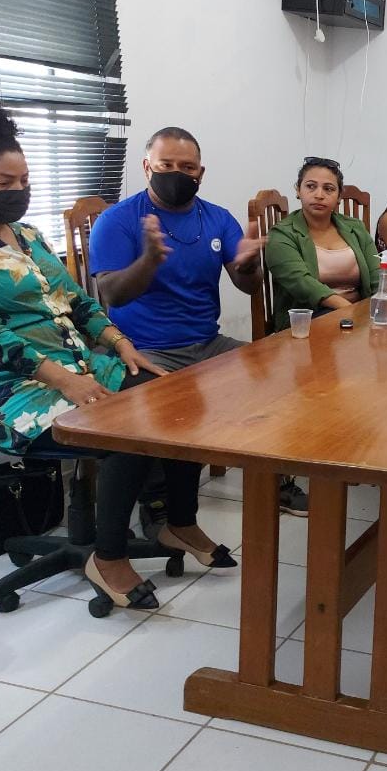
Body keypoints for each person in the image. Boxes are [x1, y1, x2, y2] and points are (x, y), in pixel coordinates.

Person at [0, 92, 233, 613]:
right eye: (3, 183)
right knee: (128, 430)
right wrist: (66, 381)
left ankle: (179, 522)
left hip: (85, 367)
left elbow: (78, 302)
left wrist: (122, 345)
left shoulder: (28, 236)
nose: (18, 191)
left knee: (178, 397)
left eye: (24, 181)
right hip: (14, 393)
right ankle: (107, 557)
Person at [87, 126, 305, 516]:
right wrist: (149, 260)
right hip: (144, 349)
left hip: (208, 344)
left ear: (200, 173)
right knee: (165, 400)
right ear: (146, 167)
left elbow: (248, 287)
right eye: (165, 164)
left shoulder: (218, 219)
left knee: (277, 376)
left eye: (186, 167)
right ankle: (157, 503)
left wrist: (249, 264)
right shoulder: (118, 221)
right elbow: (112, 295)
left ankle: (277, 480)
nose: (176, 173)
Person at [265, 156, 381, 327]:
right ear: (298, 190)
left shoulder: (355, 228)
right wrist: (352, 312)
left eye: (329, 189)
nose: (319, 195)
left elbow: (376, 276)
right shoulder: (281, 234)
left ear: (339, 196)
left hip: (359, 320)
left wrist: (381, 307)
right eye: (311, 186)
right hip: (305, 324)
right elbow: (302, 284)